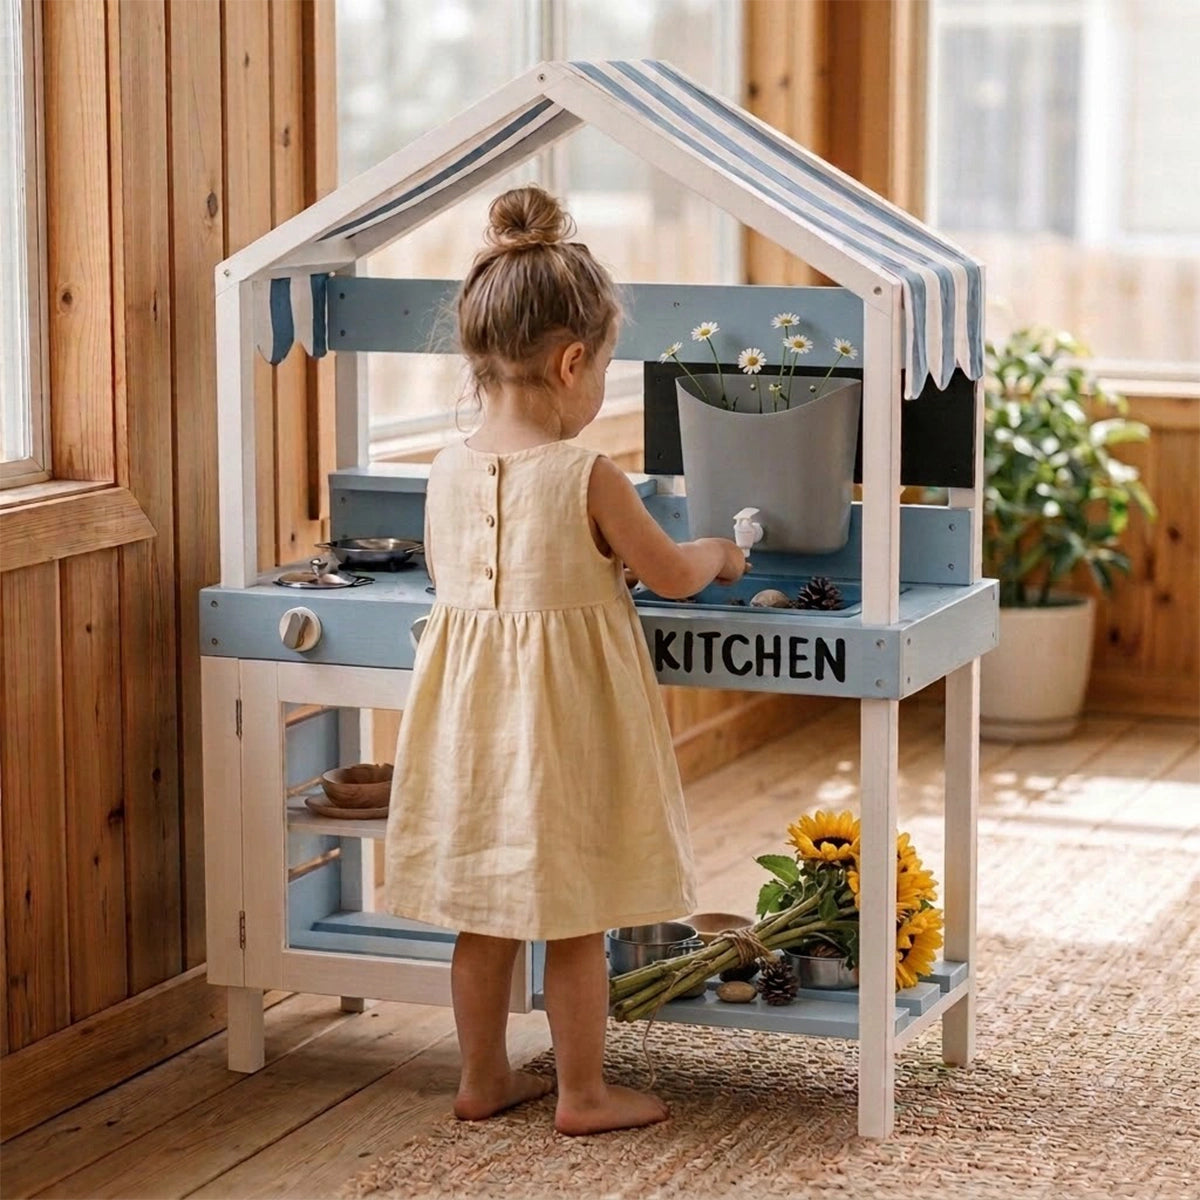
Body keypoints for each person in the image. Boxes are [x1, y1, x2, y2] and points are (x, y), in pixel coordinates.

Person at [383, 185, 747, 1136]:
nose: (600, 392)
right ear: (573, 360)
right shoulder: (586, 473)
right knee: (576, 912)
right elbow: (668, 575)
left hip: (470, 726)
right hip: (562, 723)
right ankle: (583, 1095)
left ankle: (480, 1079)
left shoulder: (445, 466)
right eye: (606, 372)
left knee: (486, 912)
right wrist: (718, 551)